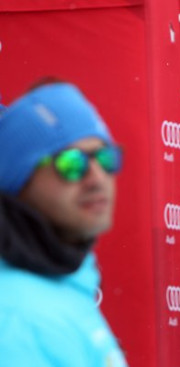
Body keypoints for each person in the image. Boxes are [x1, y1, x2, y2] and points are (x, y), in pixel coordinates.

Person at [0, 81, 128, 366]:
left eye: (105, 159)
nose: (96, 179)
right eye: (72, 164)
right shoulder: (16, 320)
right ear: (20, 179)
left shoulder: (64, 284)